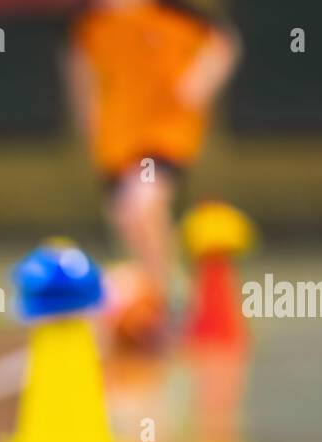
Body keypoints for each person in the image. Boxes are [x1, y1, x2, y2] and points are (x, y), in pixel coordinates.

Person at [65, 0, 239, 348]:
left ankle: (166, 301)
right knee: (127, 218)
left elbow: (223, 42)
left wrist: (200, 80)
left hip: (163, 135)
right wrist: (91, 123)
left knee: (142, 203)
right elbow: (80, 74)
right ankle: (158, 293)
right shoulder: (91, 25)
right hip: (118, 141)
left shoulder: (172, 14)